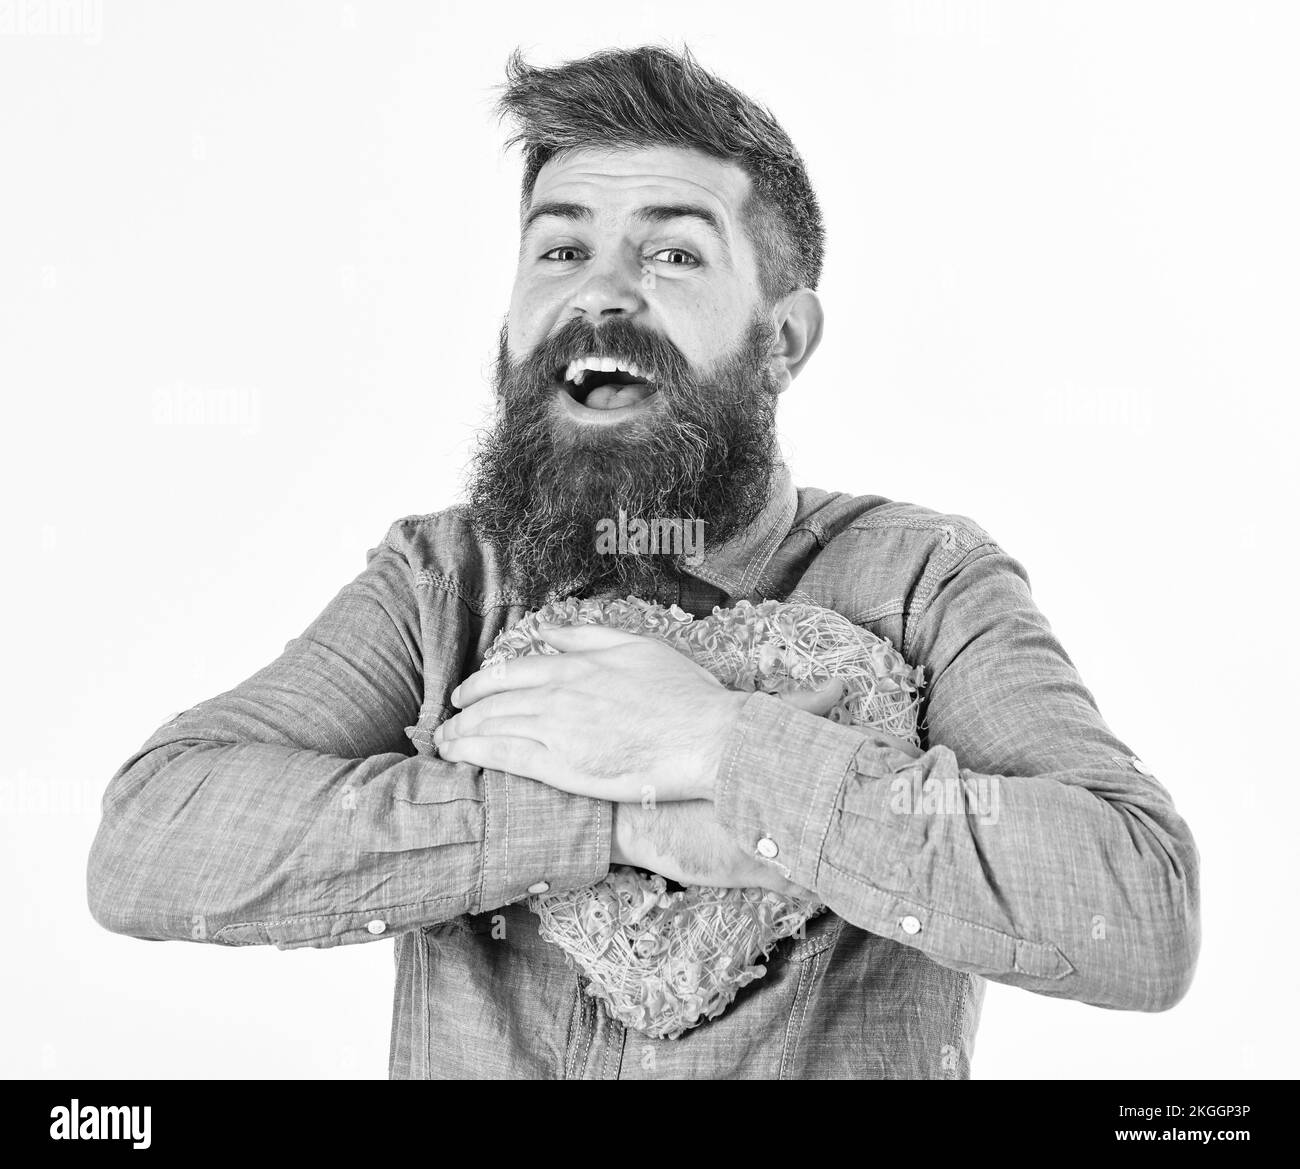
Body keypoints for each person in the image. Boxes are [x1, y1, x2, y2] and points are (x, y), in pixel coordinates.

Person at [87, 44, 1200, 1079]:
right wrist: (608, 819)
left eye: (672, 252)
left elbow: (1135, 905)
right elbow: (154, 839)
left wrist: (719, 741)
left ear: (782, 339)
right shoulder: (440, 581)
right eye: (561, 247)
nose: (600, 290)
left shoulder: (925, 580)